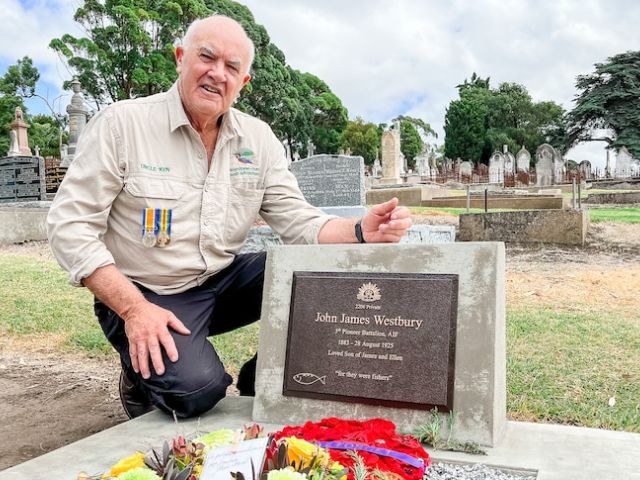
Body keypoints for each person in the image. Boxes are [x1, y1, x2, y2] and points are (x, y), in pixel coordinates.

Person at [47, 15, 412, 419]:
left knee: (324, 271)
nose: (217, 74)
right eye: (207, 57)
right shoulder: (122, 125)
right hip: (145, 291)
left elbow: (300, 221)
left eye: (232, 67)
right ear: (181, 59)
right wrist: (134, 309)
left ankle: (264, 377)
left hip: (219, 282)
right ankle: (138, 372)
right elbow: (70, 226)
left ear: (243, 82)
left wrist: (361, 229)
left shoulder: (257, 139)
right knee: (197, 392)